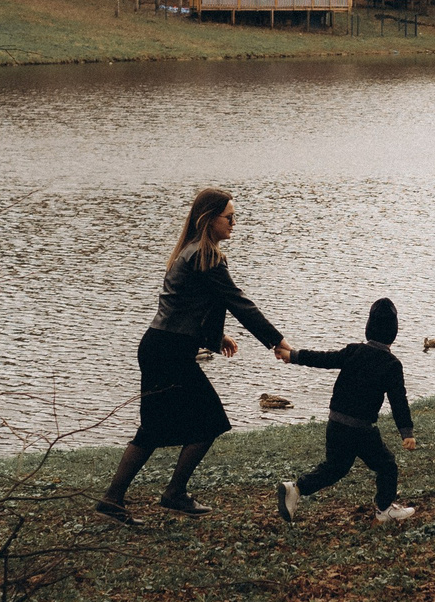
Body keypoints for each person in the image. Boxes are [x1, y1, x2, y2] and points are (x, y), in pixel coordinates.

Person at [97, 187, 292, 524]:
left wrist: (216, 337)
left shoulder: (189, 253)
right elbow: (238, 302)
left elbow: (188, 307)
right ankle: (170, 494)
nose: (234, 224)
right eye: (229, 218)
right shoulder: (206, 257)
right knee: (209, 421)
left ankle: (117, 499)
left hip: (161, 346)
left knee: (155, 428)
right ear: (209, 219)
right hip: (169, 351)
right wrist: (276, 340)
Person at [276, 296, 417, 526]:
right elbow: (398, 400)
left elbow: (324, 359)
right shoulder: (391, 364)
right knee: (387, 465)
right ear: (394, 333)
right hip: (361, 429)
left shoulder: (353, 352)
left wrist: (293, 356)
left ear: (368, 328)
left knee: (335, 468)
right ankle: (384, 509)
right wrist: (406, 432)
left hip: (336, 424)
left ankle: (296, 488)